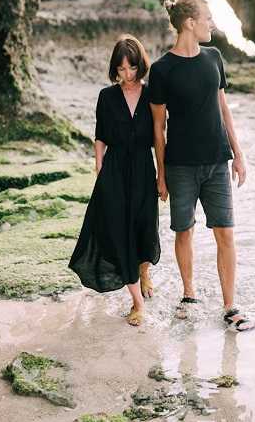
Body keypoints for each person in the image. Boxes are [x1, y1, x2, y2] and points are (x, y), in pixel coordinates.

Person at [148, 0, 255, 331]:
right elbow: (157, 127)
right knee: (184, 230)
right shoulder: (162, 69)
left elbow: (224, 109)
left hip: (217, 163)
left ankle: (230, 305)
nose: (211, 24)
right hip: (180, 166)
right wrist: (161, 173)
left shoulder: (214, 57)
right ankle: (189, 293)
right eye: (207, 18)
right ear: (190, 23)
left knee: (225, 232)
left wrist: (238, 153)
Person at [68, 34, 160, 326]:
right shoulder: (106, 97)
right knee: (119, 233)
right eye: (121, 70)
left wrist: (163, 177)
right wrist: (99, 168)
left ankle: (144, 270)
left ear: (139, 65)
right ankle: (138, 303)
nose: (127, 75)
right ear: (114, 69)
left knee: (144, 227)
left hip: (145, 170)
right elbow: (100, 136)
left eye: (132, 68)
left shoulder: (151, 95)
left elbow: (160, 137)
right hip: (115, 170)